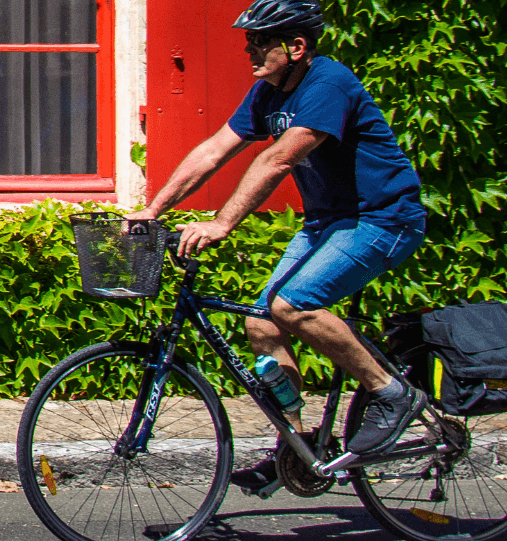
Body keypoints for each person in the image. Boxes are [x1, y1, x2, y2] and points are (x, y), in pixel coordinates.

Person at [123, 0, 430, 491]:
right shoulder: (266, 92)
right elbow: (213, 150)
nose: (249, 51)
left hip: (382, 218)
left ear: (297, 46)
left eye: (259, 43)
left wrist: (222, 223)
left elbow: (279, 160)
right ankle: (300, 447)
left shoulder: (328, 85)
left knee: (293, 305)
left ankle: (391, 393)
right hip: (329, 221)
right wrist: (152, 211)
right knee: (261, 324)